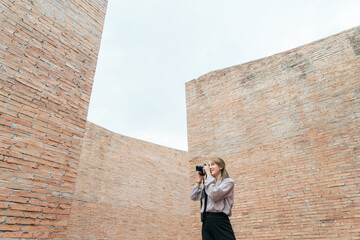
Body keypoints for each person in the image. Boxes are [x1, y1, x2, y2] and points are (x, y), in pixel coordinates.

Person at [190, 157, 236, 240]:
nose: (210, 167)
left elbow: (215, 194)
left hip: (219, 220)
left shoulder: (228, 182)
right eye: (208, 165)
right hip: (206, 220)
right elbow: (194, 196)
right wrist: (200, 179)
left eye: (212, 164)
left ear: (221, 166)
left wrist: (208, 175)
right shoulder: (209, 183)